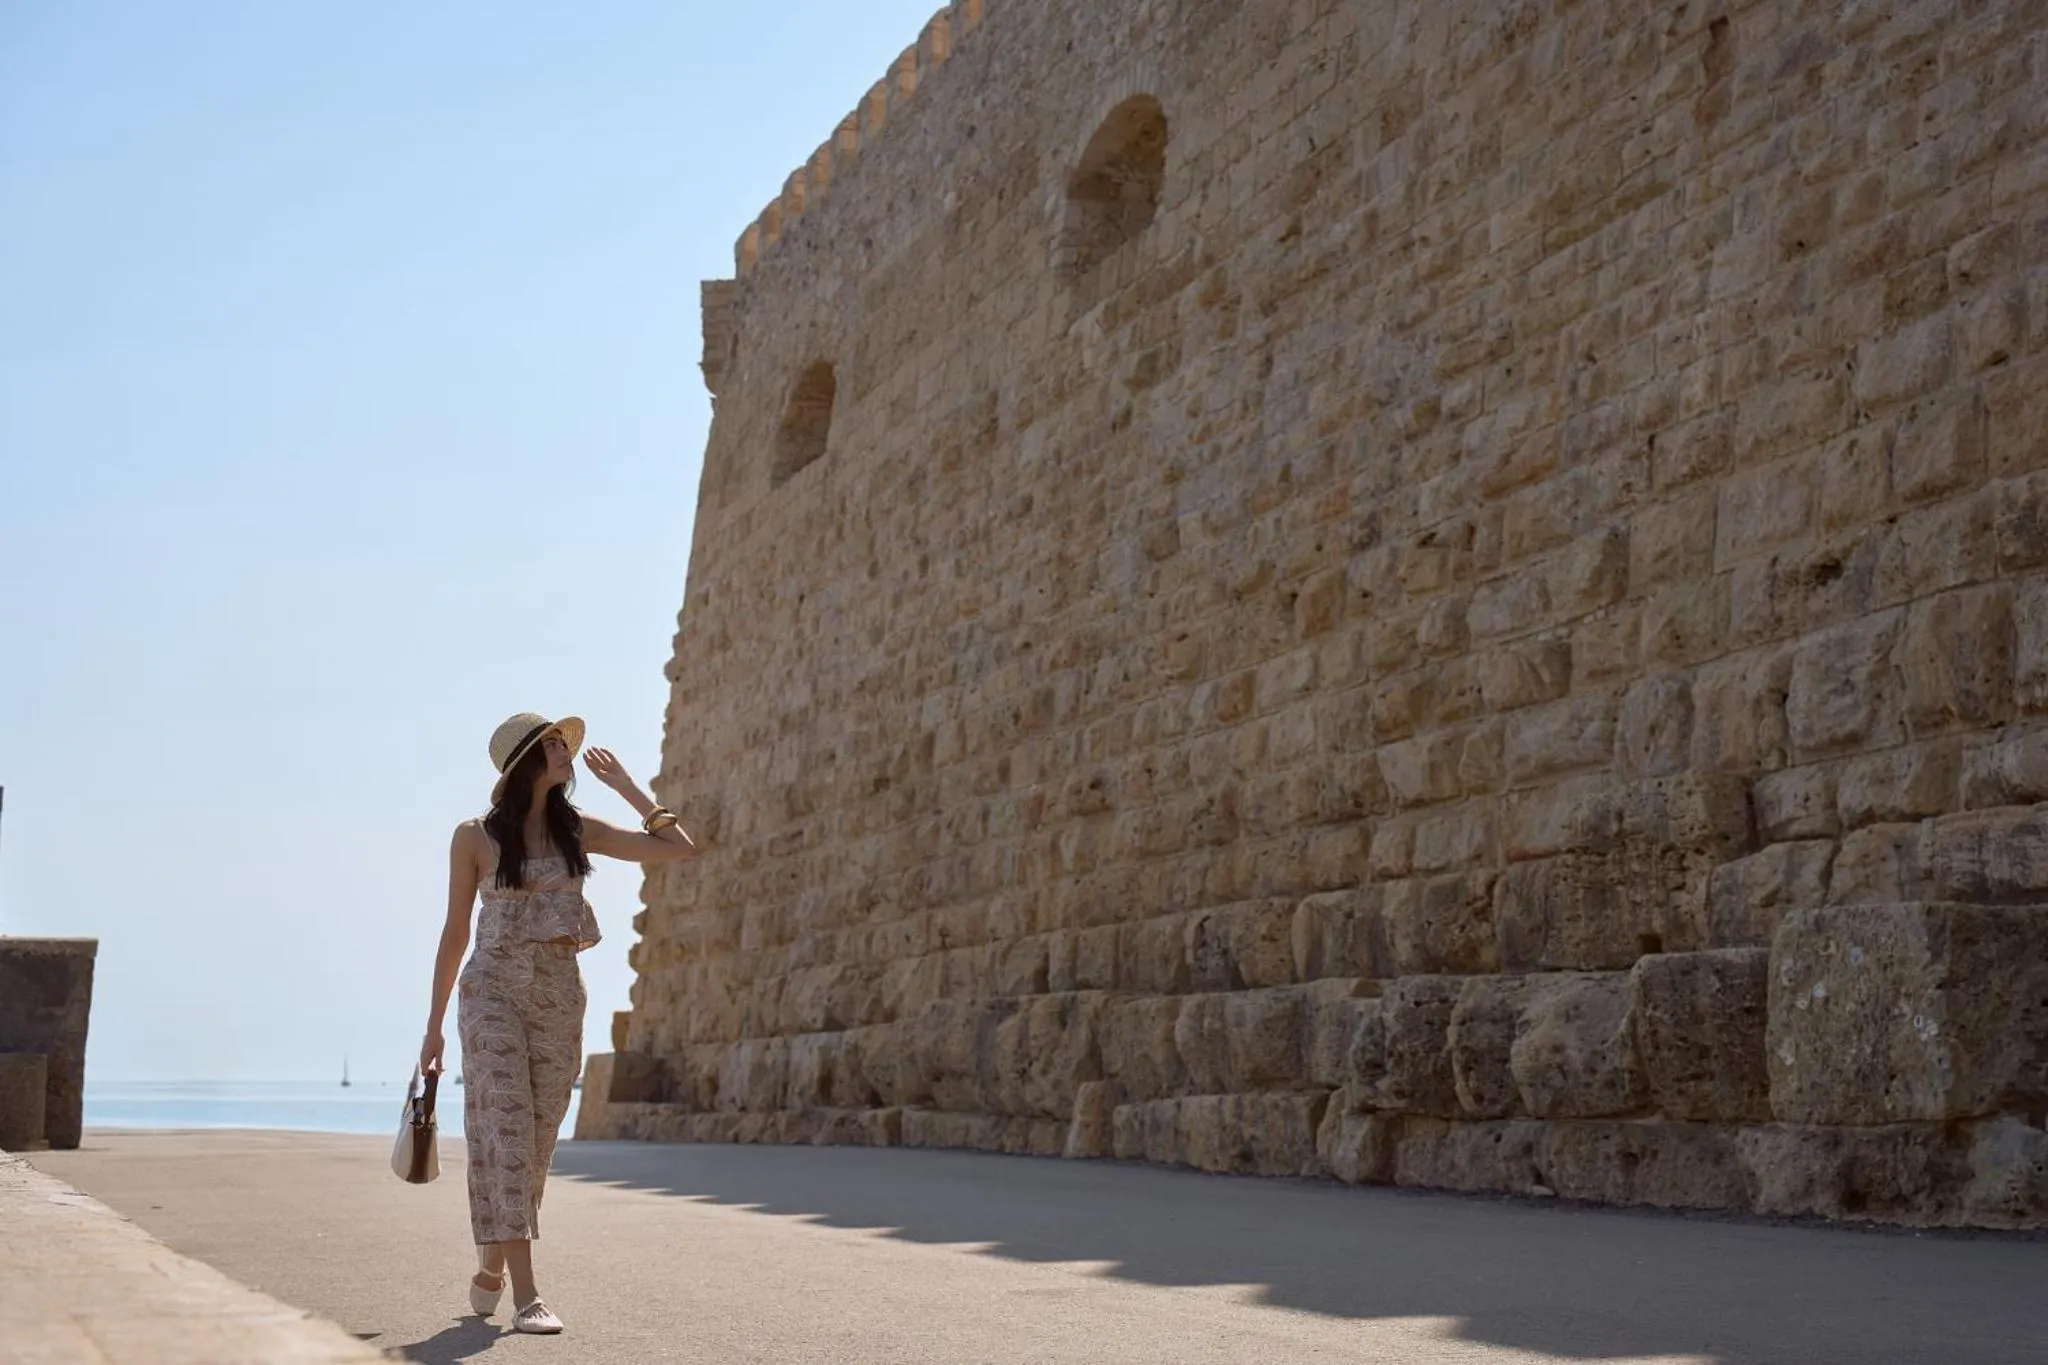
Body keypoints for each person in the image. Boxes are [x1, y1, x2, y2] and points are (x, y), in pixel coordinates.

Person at [419, 712, 698, 1335]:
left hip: (558, 998)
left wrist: (629, 787)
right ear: (525, 761)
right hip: (490, 992)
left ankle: (491, 1263)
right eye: (551, 744)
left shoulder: (578, 832)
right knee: (508, 1128)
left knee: (538, 1140)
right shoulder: (474, 837)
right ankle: (527, 1295)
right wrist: (433, 1028)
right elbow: (455, 932)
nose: (565, 750)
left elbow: (679, 850)